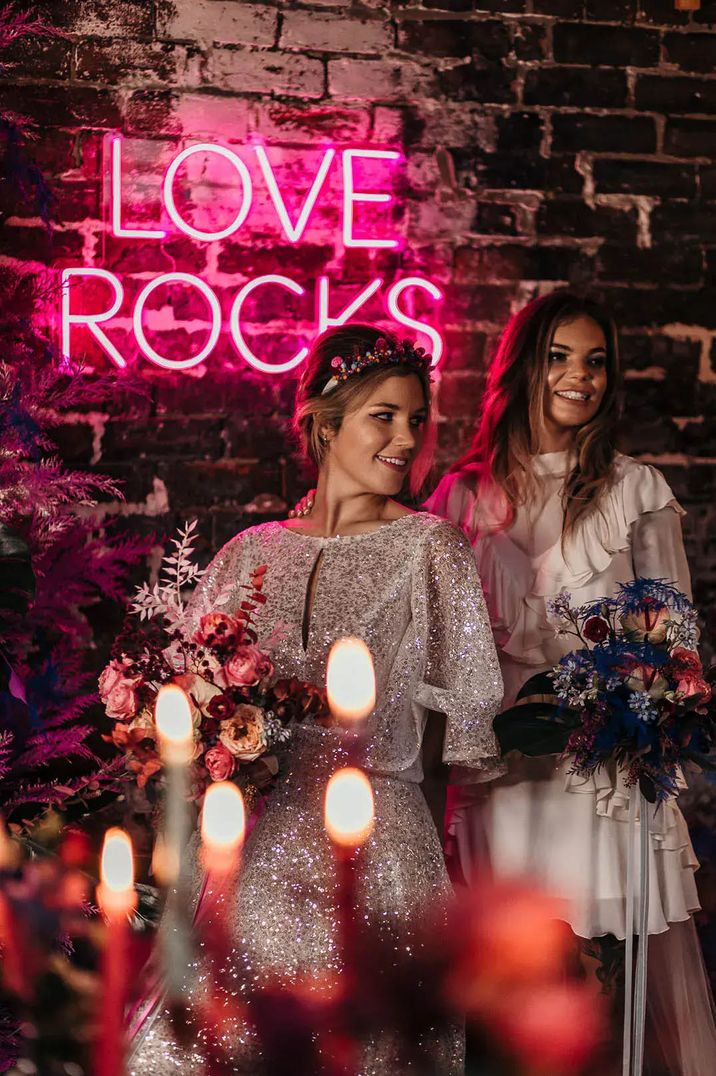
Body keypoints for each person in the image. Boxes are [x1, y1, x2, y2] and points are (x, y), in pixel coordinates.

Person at [129, 325, 504, 1075]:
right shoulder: (250, 551)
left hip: (379, 852)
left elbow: (465, 728)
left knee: (362, 1048)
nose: (406, 438)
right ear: (325, 423)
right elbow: (185, 697)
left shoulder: (433, 548)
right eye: (384, 416)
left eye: (416, 420)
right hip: (248, 853)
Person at [425, 291, 716, 1074]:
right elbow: (431, 651)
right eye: (559, 357)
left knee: (589, 990)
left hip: (599, 783)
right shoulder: (458, 498)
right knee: (507, 986)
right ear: (523, 367)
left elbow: (677, 652)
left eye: (595, 362)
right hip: (499, 779)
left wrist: (638, 700)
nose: (579, 378)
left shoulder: (635, 491)